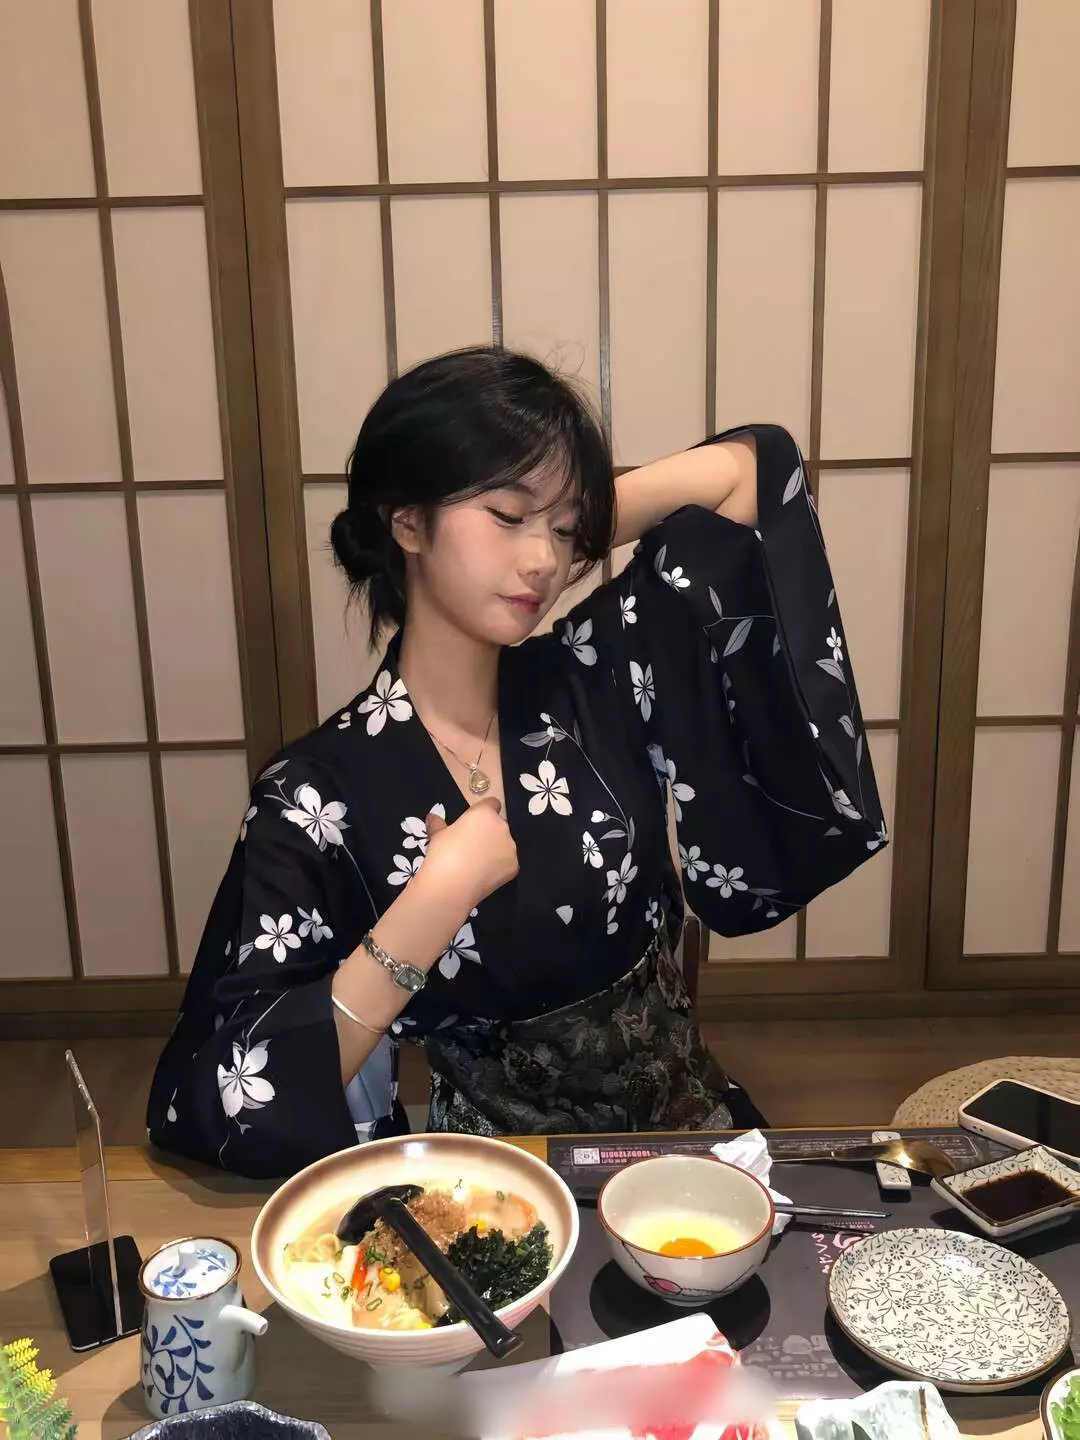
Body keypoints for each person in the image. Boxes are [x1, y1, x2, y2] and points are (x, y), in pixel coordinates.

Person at [147, 347, 886, 1178]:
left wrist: (561, 511)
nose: (543, 561)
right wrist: (434, 899)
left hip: (690, 1137)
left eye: (566, 531)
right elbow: (226, 1098)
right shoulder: (315, 793)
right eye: (505, 514)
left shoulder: (592, 670)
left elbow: (749, 474)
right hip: (495, 1181)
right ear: (407, 522)